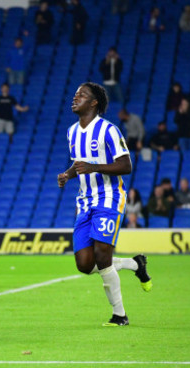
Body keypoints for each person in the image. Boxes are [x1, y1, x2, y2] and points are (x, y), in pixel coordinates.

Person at [57, 82, 152, 327]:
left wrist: (94, 167)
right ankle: (135, 264)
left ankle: (119, 315)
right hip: (84, 201)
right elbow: (79, 163)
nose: (75, 98)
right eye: (75, 94)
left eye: (81, 95)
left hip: (109, 197)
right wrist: (68, 174)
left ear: (94, 102)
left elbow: (126, 166)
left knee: (102, 254)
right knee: (85, 265)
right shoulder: (71, 132)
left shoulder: (108, 130)